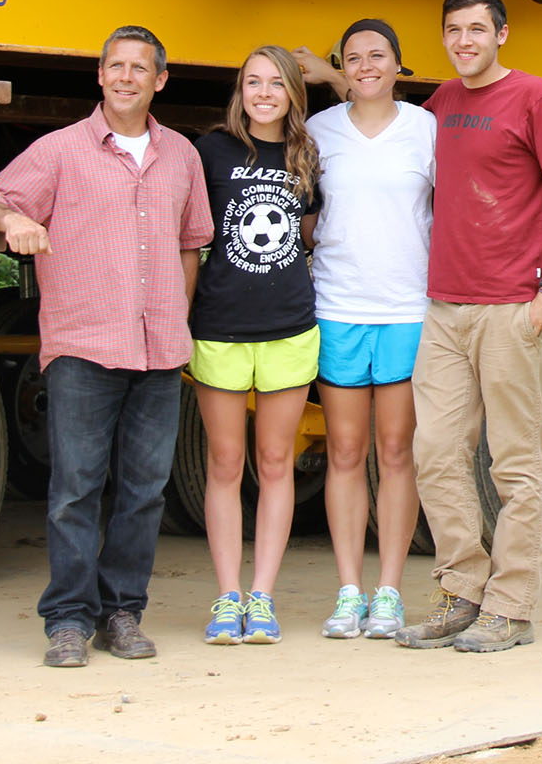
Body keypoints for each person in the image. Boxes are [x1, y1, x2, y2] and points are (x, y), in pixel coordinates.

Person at [0, 25, 213, 668]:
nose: (126, 77)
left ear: (160, 80)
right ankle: (68, 620)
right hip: (84, 344)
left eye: (140, 68)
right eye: (115, 66)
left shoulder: (182, 155)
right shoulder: (58, 151)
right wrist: (15, 218)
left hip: (158, 348)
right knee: (76, 487)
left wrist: (176, 319)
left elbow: (191, 244)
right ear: (99, 75)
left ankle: (122, 614)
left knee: (145, 490)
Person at [394, 0, 542, 654]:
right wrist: (341, 75)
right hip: (444, 309)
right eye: (453, 31)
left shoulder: (536, 97)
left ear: (501, 34)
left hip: (513, 307)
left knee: (516, 462)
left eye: (477, 30)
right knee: (436, 454)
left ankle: (511, 605)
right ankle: (463, 591)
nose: (464, 42)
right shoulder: (442, 104)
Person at [298, 19, 435, 640]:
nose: (365, 66)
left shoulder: (426, 130)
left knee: (396, 452)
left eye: (377, 55)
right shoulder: (319, 132)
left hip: (407, 309)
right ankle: (349, 590)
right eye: (352, 59)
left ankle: (389, 592)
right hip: (338, 306)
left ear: (397, 64)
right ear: (341, 69)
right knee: (346, 453)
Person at [187, 45, 323, 644]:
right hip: (219, 328)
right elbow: (191, 235)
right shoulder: (211, 150)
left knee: (275, 464)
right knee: (224, 463)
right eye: (252, 82)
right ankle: (226, 597)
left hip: (289, 328)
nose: (263, 93)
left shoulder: (305, 155)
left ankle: (262, 597)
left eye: (275, 83)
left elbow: (307, 233)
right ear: (239, 90)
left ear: (293, 93)